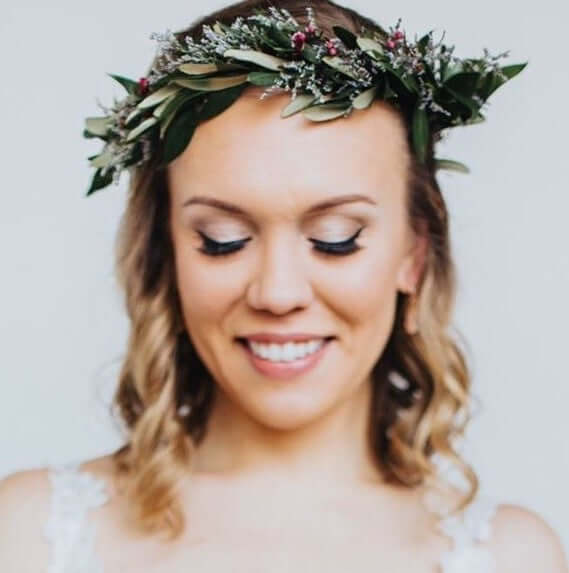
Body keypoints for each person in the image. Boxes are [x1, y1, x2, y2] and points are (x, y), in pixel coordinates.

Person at [0, 1, 567, 572]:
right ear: (165, 253)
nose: (276, 293)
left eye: (336, 238)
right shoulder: (31, 535)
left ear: (414, 256)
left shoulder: (512, 557)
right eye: (222, 240)